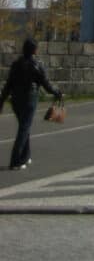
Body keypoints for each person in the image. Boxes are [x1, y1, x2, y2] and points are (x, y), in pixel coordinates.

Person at [0, 37, 62, 171]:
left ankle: (25, 156)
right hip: (29, 99)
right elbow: (47, 85)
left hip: (15, 100)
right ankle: (15, 161)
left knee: (24, 126)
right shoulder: (37, 64)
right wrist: (57, 92)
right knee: (24, 129)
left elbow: (8, 84)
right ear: (35, 50)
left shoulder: (16, 64)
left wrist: (2, 100)